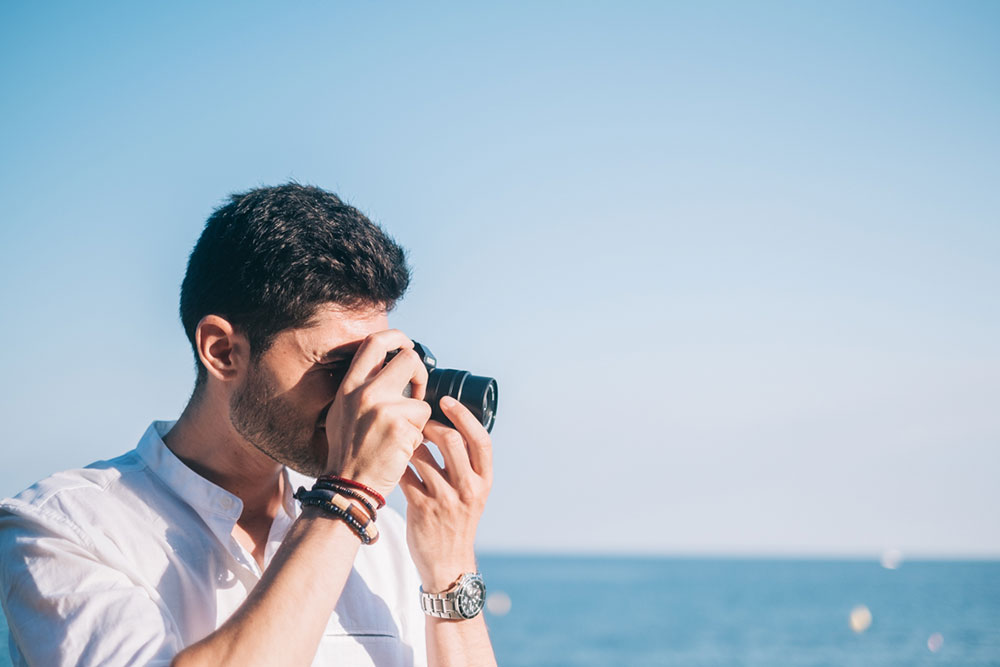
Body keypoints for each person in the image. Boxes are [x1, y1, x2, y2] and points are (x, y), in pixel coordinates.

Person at [0, 184, 497, 666]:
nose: (363, 396)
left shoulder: (384, 538)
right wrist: (348, 494)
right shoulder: (63, 530)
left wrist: (449, 568)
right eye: (339, 367)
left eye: (380, 362)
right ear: (222, 351)